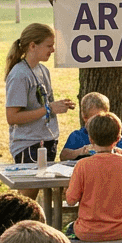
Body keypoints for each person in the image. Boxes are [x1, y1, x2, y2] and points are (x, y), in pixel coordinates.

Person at [5, 23, 75, 198]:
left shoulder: (42, 70)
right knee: (26, 199)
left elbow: (44, 106)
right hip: (29, 145)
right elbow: (12, 117)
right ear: (32, 46)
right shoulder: (20, 74)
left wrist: (58, 106)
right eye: (49, 45)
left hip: (47, 143)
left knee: (36, 199)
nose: (52, 50)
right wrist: (48, 108)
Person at [65, 113, 122, 243]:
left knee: (68, 229)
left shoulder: (82, 165)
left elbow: (71, 200)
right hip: (121, 229)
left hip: (87, 231)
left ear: (90, 139)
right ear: (118, 139)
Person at [59, 93, 122, 160]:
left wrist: (111, 149)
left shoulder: (111, 134)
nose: (98, 121)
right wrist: (81, 151)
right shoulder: (78, 136)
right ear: (85, 118)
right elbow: (63, 156)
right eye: (95, 118)